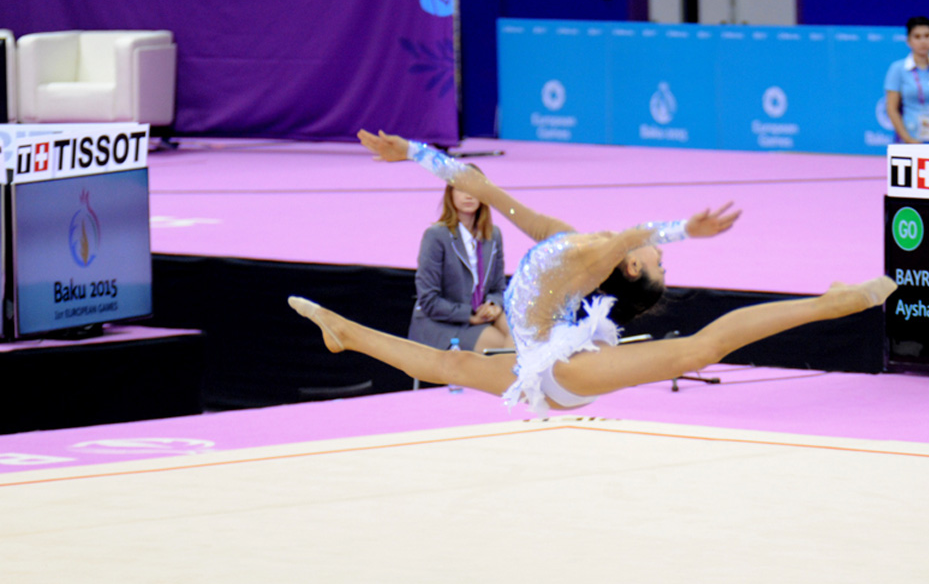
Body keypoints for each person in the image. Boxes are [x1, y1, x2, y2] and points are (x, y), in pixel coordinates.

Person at [289, 131, 897, 415]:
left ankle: (833, 301)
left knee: (701, 349)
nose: (657, 255)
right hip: (539, 364)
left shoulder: (598, 253)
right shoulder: (563, 237)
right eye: (663, 258)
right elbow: (483, 188)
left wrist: (684, 230)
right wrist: (413, 154)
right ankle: (345, 333)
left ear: (629, 267)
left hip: (559, 372)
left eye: (657, 260)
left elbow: (633, 234)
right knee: (447, 365)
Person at [408, 168, 514, 353]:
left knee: (521, 335)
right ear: (450, 193)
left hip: (480, 315)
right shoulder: (436, 236)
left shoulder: (493, 235)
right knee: (501, 347)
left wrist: (493, 305)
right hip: (444, 323)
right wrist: (469, 316)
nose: (469, 196)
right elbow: (429, 300)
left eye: (474, 189)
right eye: (462, 189)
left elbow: (499, 287)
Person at [884, 16, 929, 144]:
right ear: (908, 41)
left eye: (927, 36)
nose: (923, 41)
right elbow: (892, 108)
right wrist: (908, 139)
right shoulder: (898, 69)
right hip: (909, 139)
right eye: (917, 37)